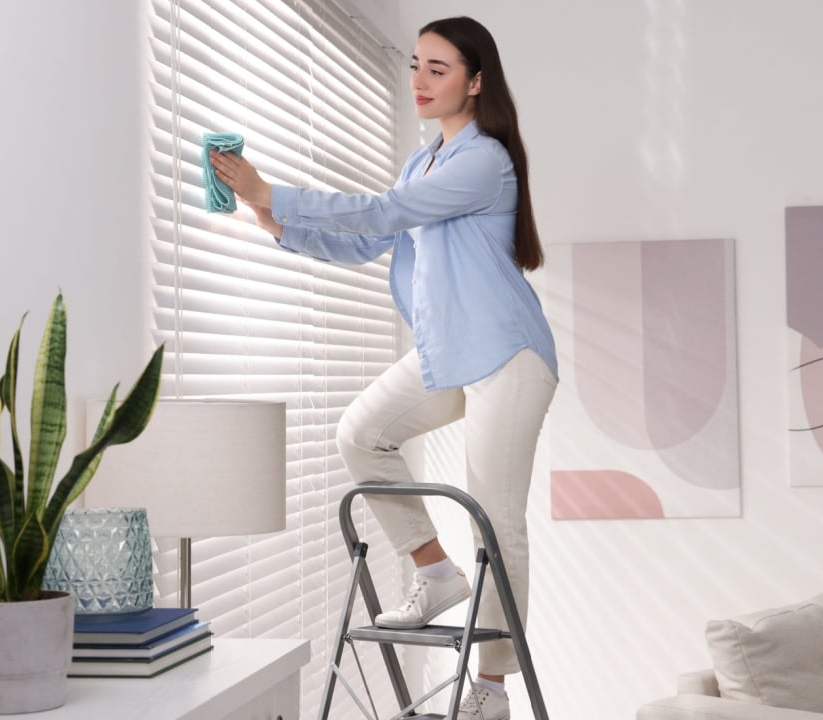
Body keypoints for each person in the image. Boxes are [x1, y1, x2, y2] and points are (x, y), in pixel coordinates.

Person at [209, 16, 555, 720]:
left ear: (475, 80)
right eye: (417, 66)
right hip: (448, 353)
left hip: (509, 357)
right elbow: (369, 242)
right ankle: (434, 569)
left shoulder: (483, 159)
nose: (420, 81)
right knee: (361, 433)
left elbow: (383, 212)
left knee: (497, 518)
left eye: (438, 69)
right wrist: (274, 223)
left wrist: (274, 189)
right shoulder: (422, 162)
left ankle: (490, 691)